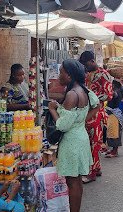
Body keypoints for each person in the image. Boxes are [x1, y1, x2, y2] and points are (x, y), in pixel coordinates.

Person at [47, 59, 99, 212]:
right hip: (80, 137)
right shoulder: (84, 90)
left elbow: (62, 125)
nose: (59, 75)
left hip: (72, 142)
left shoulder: (71, 94)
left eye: (61, 72)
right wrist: (80, 121)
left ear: (69, 75)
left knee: (72, 182)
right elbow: (97, 106)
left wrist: (52, 110)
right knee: (76, 181)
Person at [79, 51, 113, 183]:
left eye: (85, 63)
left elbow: (108, 95)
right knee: (89, 142)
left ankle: (91, 173)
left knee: (93, 144)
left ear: (92, 61)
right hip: (87, 113)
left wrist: (93, 100)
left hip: (96, 113)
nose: (84, 66)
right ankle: (97, 168)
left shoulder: (104, 75)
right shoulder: (86, 74)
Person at [105, 80, 123, 158]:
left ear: (115, 85)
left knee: (114, 134)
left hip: (114, 115)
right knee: (111, 132)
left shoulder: (116, 93)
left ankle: (115, 152)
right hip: (112, 114)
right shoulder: (118, 92)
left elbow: (112, 94)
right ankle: (113, 150)